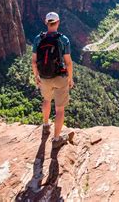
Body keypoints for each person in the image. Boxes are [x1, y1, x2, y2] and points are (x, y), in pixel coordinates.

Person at [32, 12, 74, 149]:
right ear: (58, 22)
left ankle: (45, 125)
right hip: (60, 77)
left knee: (46, 100)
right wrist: (70, 78)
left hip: (44, 77)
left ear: (46, 23)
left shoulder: (38, 38)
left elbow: (34, 62)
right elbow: (68, 63)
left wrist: (36, 76)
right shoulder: (63, 39)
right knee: (60, 109)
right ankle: (56, 139)